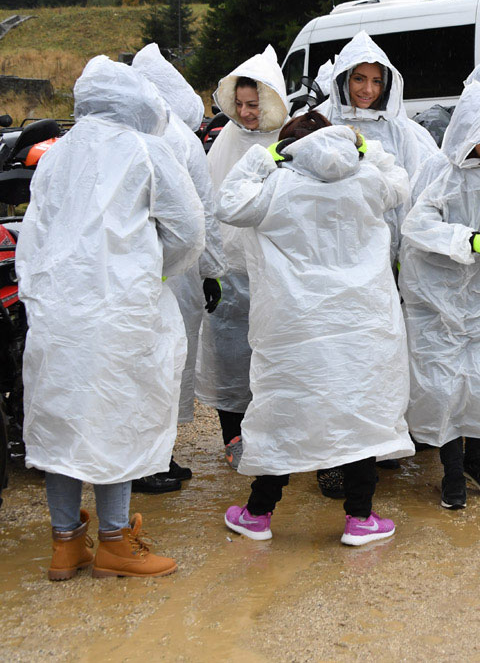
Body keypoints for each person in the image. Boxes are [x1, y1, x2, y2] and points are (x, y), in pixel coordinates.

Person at [21, 56, 204, 579]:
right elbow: (188, 231)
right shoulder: (147, 149)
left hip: (58, 312)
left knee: (65, 422)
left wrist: (45, 296)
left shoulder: (56, 154)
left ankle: (65, 544)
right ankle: (116, 543)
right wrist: (152, 271)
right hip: (122, 310)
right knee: (117, 417)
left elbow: (36, 233)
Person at [219, 114, 414, 545]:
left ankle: (257, 514)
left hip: (295, 327)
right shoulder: (367, 182)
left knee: (285, 413)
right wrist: (366, 148)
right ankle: (360, 518)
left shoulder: (276, 187)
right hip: (361, 325)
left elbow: (228, 204)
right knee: (358, 414)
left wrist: (264, 157)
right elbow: (400, 181)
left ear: (288, 148)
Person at [402, 83, 480, 509]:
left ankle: (476, 459)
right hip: (437, 297)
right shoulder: (440, 170)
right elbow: (416, 225)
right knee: (443, 385)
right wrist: (470, 240)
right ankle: (451, 470)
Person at [130, 44, 226, 493]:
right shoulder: (182, 141)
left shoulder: (119, 139)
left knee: (139, 365)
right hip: (176, 270)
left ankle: (148, 455)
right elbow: (201, 213)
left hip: (128, 272)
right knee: (168, 362)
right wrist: (211, 270)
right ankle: (152, 460)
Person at [196, 47, 289, 469]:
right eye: (240, 104)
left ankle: (277, 434)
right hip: (231, 270)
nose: (247, 113)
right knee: (231, 355)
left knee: (276, 354)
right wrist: (210, 265)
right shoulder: (226, 141)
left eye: (255, 104)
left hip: (275, 269)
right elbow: (210, 201)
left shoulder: (288, 140)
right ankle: (233, 435)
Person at [318, 30, 440, 263]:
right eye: (359, 79)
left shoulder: (398, 128)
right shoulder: (323, 120)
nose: (368, 90)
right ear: (344, 78)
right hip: (336, 238)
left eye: (377, 81)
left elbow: (412, 189)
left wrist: (406, 250)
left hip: (386, 238)